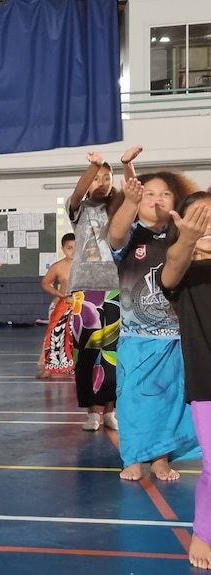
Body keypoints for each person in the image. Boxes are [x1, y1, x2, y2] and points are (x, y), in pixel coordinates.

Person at [108, 173, 200, 481]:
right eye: (148, 194)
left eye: (165, 194)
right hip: (137, 336)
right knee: (133, 399)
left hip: (176, 336)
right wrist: (130, 201)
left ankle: (160, 457)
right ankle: (133, 457)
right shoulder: (131, 235)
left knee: (169, 399)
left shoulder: (184, 236)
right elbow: (115, 234)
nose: (157, 199)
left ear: (178, 202)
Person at [65, 149, 137, 431]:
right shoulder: (79, 210)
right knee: (87, 352)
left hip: (117, 288)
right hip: (85, 289)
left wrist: (127, 165)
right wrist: (93, 167)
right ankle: (92, 412)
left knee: (113, 353)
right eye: (98, 178)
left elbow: (133, 191)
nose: (103, 182)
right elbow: (78, 190)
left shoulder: (117, 208)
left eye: (107, 178)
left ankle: (110, 410)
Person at [159, 192, 211, 569]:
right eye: (198, 218)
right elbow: (173, 267)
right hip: (208, 381)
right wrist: (189, 241)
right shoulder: (183, 272)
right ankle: (204, 533)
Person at [36, 233, 76, 380]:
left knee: (78, 338)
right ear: (63, 249)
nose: (73, 250)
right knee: (53, 335)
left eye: (76, 247)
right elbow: (46, 282)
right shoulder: (58, 266)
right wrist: (58, 293)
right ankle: (49, 368)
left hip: (82, 306)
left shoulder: (86, 266)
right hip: (64, 303)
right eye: (69, 248)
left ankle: (76, 367)